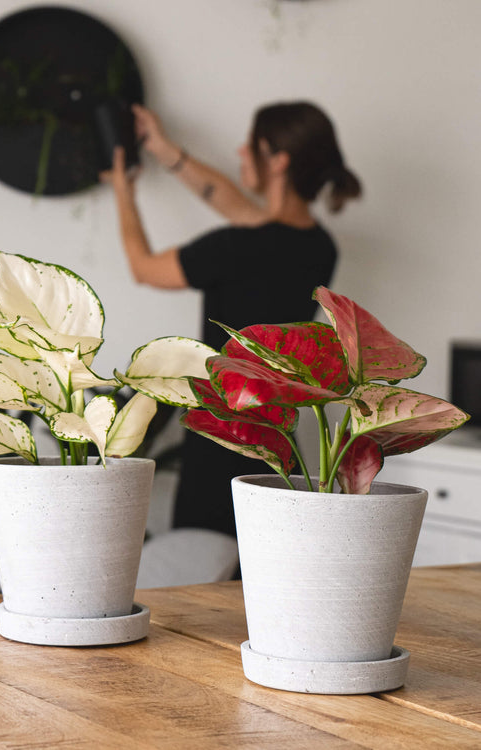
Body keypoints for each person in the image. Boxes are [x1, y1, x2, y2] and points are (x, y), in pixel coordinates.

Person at [102, 101, 362, 538]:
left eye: (251, 146)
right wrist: (165, 150)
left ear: (278, 160)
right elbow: (243, 210)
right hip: (276, 442)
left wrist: (122, 190)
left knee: (206, 580)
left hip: (218, 442)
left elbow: (144, 267)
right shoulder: (320, 248)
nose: (241, 152)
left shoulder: (235, 249)